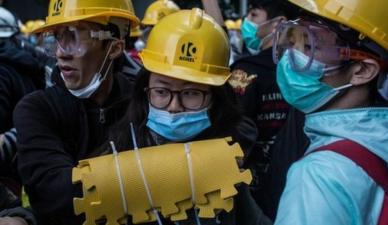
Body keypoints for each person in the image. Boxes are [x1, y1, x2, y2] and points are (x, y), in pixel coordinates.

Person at [108, 8, 270, 225]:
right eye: (162, 92)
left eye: (191, 93)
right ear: (144, 91)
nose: (174, 107)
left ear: (216, 97)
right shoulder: (116, 154)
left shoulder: (233, 156)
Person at [272, 0, 388, 224]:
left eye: (310, 46)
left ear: (362, 70)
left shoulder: (319, 175)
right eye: (292, 42)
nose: (290, 58)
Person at [13, 0, 140, 224]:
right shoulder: (36, 109)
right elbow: (56, 198)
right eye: (57, 37)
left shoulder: (144, 103)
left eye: (76, 36)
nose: (61, 53)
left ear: (114, 47)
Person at [229, 0, 291, 207]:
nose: (247, 22)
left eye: (254, 15)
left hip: (253, 184)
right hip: (289, 179)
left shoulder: (244, 72)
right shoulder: (304, 73)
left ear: (278, 23)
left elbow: (231, 127)